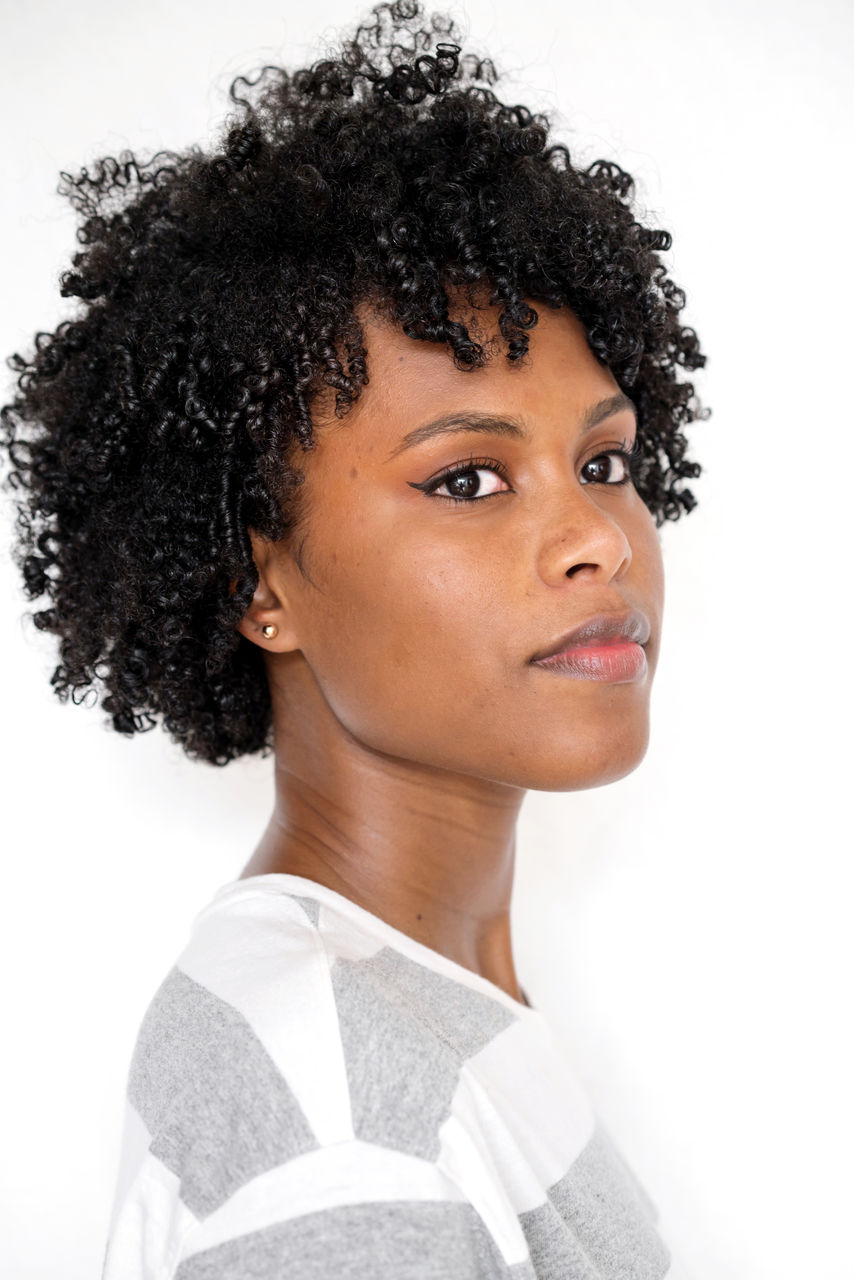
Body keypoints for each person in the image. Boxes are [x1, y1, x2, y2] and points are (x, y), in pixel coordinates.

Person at [0, 2, 707, 1275]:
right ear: (257, 580)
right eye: (466, 480)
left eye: (604, 459)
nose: (598, 536)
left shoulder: (407, 1005)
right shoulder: (343, 1123)